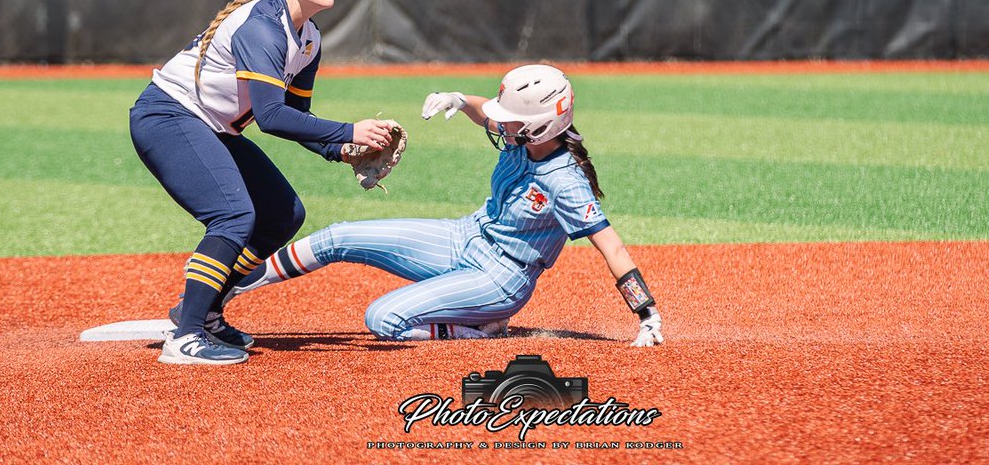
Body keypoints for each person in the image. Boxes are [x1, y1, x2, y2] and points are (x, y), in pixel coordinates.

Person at [220, 64, 664, 347]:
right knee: (339, 236)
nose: (500, 124)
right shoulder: (527, 136)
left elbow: (613, 248)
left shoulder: (564, 181)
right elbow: (481, 110)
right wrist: (456, 98)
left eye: (511, 120)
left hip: (500, 277)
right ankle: (230, 288)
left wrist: (646, 314)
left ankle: (479, 330)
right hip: (464, 236)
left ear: (541, 125)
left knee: (384, 319)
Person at [129, 0, 398, 366]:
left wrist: (340, 149)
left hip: (212, 127)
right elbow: (271, 117)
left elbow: (295, 115)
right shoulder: (263, 25)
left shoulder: (308, 38)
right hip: (169, 117)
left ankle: (204, 311)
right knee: (234, 215)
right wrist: (351, 128)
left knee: (283, 214)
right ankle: (186, 336)